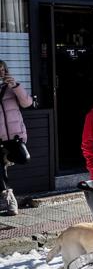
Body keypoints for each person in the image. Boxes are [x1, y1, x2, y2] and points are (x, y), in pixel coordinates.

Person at [0, 60, 33, 216]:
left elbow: (27, 103)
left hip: (15, 137)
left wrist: (15, 85)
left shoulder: (12, 88)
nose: (0, 72)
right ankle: (10, 201)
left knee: (24, 158)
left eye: (2, 69)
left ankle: (7, 156)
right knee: (0, 170)